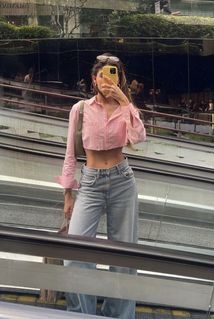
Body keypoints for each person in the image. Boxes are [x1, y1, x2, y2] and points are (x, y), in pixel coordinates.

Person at [56, 53, 146, 318]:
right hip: (91, 183)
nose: (108, 79)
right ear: (94, 79)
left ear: (121, 79)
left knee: (124, 256)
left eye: (114, 74)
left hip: (122, 181)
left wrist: (124, 101)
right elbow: (70, 153)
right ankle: (80, 313)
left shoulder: (124, 107)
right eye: (103, 74)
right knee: (75, 253)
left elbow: (138, 137)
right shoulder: (80, 109)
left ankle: (119, 314)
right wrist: (68, 194)